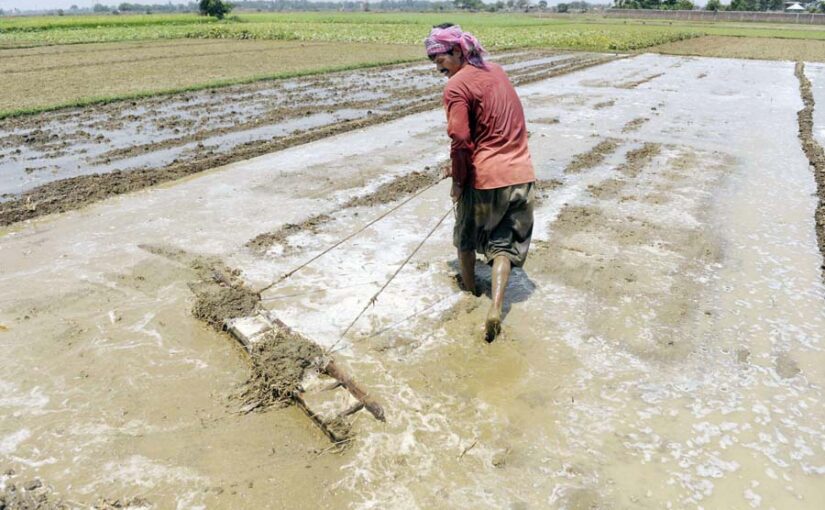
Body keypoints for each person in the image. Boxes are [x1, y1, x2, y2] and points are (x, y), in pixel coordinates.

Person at [425, 24, 536, 342]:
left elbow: (460, 138)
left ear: (458, 51)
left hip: (485, 178)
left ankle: (472, 291)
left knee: (466, 239)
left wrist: (458, 180)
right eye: (433, 61)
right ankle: (496, 308)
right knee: (504, 245)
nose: (438, 68)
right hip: (521, 173)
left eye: (439, 59)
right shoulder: (497, 71)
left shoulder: (456, 87)